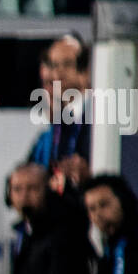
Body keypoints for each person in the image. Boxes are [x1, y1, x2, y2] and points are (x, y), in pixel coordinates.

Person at [26, 33, 93, 195]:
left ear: (86, 71)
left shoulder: (100, 115)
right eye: (54, 65)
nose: (57, 74)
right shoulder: (60, 122)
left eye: (67, 64)